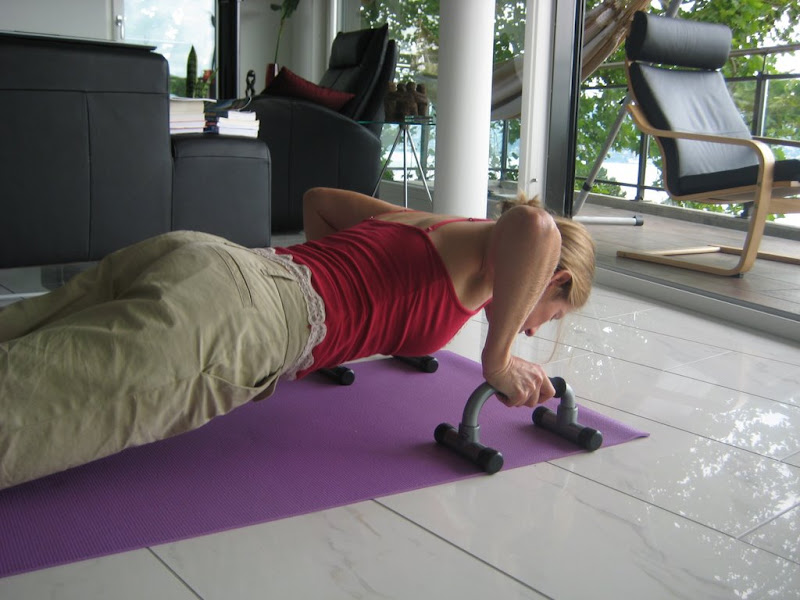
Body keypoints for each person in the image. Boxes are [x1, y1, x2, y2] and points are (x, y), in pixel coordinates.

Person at [0, 187, 595, 490]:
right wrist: (498, 361)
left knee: (24, 335)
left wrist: (335, 314)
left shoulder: (440, 227)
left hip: (210, 257)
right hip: (238, 319)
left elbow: (320, 204)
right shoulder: (514, 242)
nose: (534, 326)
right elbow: (534, 226)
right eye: (550, 312)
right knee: (24, 413)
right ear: (555, 277)